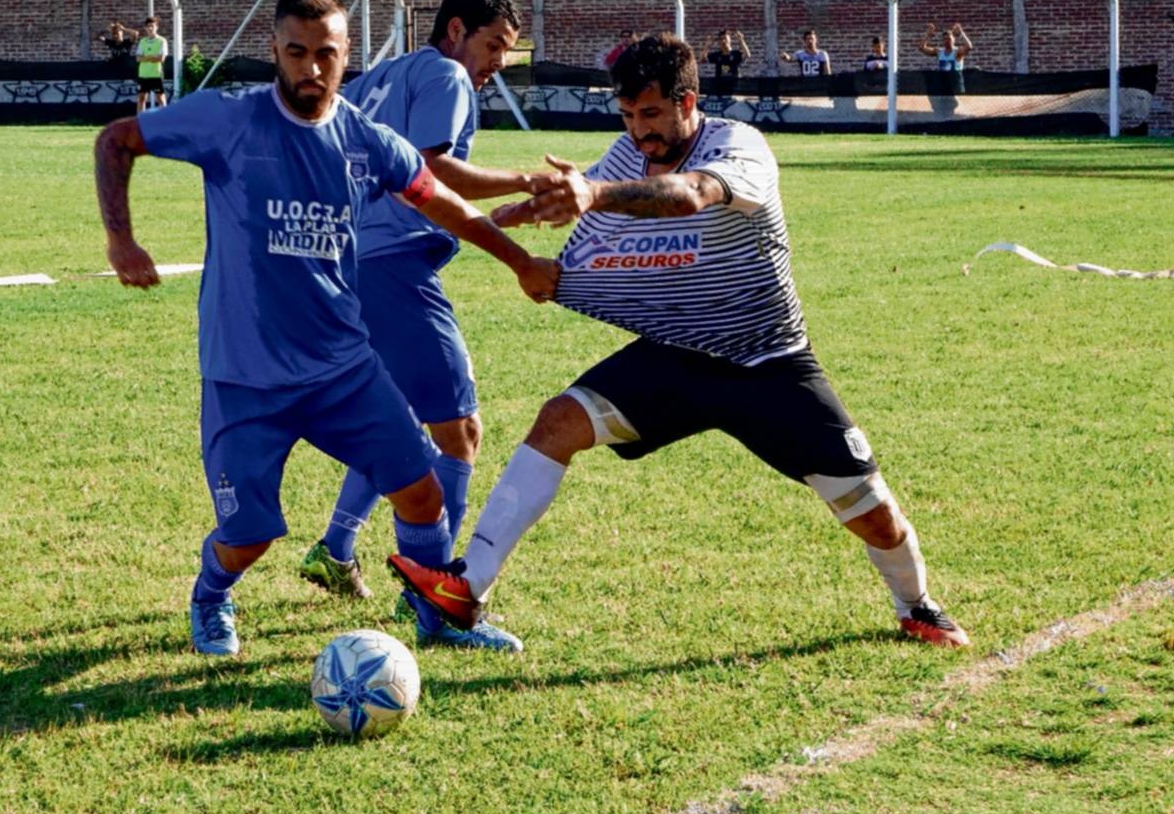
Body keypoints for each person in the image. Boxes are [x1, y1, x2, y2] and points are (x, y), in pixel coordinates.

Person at [388, 33, 970, 651]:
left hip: (767, 365)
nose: (640, 133)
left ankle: (917, 606)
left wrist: (594, 194)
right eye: (629, 116)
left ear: (687, 102)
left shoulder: (737, 146)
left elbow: (690, 195)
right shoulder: (626, 156)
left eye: (652, 115)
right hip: (674, 359)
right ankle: (467, 588)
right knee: (558, 420)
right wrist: (536, 216)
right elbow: (589, 208)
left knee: (872, 515)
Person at [92, 0, 560, 657]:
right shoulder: (230, 119)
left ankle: (435, 616)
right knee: (249, 534)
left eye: (327, 54)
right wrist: (122, 240)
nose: (311, 68)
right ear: (274, 49)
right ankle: (211, 596)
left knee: (423, 496)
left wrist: (517, 259)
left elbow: (443, 203)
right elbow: (116, 140)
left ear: (348, 54)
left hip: (344, 370)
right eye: (296, 51)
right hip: (246, 376)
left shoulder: (365, 140)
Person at [296, 0, 545, 652]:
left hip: (349, 261)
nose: (496, 62)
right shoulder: (443, 73)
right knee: (458, 432)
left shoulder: (386, 73)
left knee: (398, 418)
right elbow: (435, 170)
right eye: (493, 45)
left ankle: (336, 546)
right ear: (456, 29)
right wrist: (524, 181)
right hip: (392, 265)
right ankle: (436, 607)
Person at [134, 16, 168, 112]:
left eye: (152, 26)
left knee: (160, 99)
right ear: (145, 28)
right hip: (143, 74)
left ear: (156, 27)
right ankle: (141, 121)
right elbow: (138, 58)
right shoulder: (143, 41)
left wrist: (146, 57)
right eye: (148, 26)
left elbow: (161, 58)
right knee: (141, 99)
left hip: (156, 74)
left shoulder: (162, 41)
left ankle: (165, 120)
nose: (150, 28)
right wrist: (152, 57)